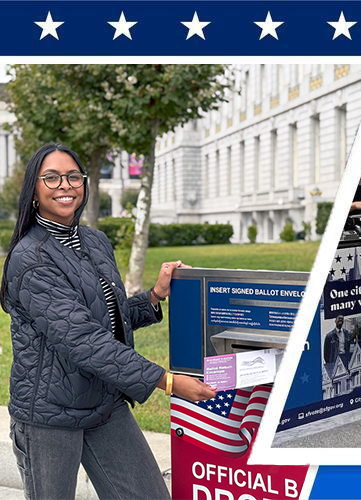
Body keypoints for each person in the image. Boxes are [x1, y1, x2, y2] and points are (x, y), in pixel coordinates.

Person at [2, 143, 217, 497]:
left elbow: (104, 319)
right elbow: (83, 339)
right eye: (52, 178)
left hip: (103, 402)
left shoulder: (95, 241)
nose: (65, 186)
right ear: (34, 191)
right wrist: (166, 381)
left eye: (73, 177)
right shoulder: (30, 258)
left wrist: (154, 296)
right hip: (49, 415)